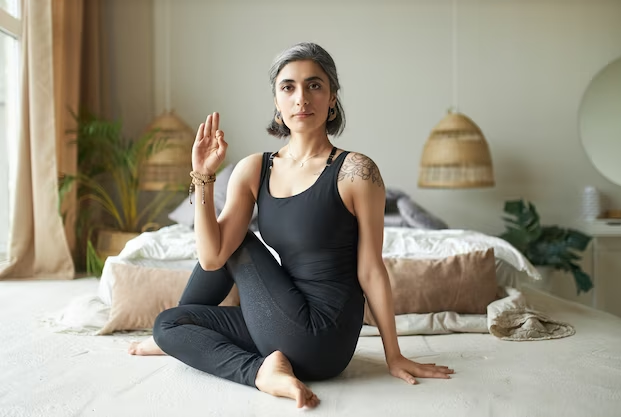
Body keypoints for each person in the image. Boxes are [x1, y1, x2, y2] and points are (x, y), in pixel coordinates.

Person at [128, 42, 453, 409]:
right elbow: (210, 257)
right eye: (289, 87)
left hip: (326, 335)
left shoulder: (355, 171)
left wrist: (394, 355)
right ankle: (197, 343)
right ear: (277, 102)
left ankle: (255, 372)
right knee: (168, 324)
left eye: (314, 85)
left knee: (238, 242)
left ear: (332, 98)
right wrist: (203, 176)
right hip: (281, 322)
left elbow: (371, 269)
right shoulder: (254, 169)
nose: (302, 98)